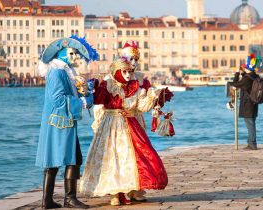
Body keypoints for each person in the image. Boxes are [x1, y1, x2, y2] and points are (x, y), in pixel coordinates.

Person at [79, 58, 168, 205]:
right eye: (124, 72)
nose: (127, 75)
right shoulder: (107, 85)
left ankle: (130, 189)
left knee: (130, 159)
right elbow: (97, 101)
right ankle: (114, 193)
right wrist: (92, 89)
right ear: (116, 72)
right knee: (112, 158)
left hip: (130, 125)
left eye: (129, 72)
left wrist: (153, 97)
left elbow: (142, 107)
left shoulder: (135, 87)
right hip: (110, 126)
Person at [35, 36, 98, 209]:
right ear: (61, 53)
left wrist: (86, 91)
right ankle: (68, 199)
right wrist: (83, 103)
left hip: (62, 122)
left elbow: (70, 94)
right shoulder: (57, 72)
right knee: (68, 159)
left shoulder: (65, 71)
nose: (75, 57)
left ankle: (48, 201)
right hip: (59, 122)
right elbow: (58, 100)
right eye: (71, 53)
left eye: (76, 54)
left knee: (65, 158)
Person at [231, 63, 260, 150]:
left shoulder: (247, 79)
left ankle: (252, 144)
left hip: (248, 104)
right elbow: (246, 81)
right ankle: (251, 143)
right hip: (253, 103)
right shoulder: (255, 76)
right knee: (251, 124)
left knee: (250, 124)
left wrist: (237, 73)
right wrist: (243, 73)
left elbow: (235, 83)